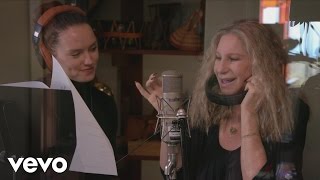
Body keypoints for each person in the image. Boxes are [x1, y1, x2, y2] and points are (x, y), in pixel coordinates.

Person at [136, 20, 307, 179]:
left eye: (233, 59)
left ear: (261, 65)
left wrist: (249, 112)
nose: (220, 69)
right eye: (218, 58)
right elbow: (172, 174)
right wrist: (169, 119)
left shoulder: (290, 110)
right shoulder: (202, 106)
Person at [33, 1, 118, 179]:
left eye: (93, 49)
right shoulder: (32, 101)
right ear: (48, 56)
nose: (89, 60)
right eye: (76, 54)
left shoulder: (104, 99)